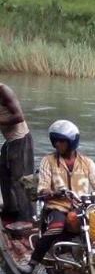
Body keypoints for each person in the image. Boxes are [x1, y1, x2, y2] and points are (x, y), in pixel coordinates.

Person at [17, 119, 95, 274]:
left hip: (81, 208)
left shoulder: (87, 163)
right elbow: (42, 187)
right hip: (57, 207)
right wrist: (54, 193)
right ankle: (32, 263)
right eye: (55, 141)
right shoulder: (48, 161)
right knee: (56, 227)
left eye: (61, 141)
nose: (57, 144)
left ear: (72, 141)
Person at [0, 82, 34, 226]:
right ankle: (10, 211)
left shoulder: (3, 90)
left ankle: (26, 218)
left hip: (21, 139)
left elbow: (19, 116)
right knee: (4, 175)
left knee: (22, 180)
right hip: (9, 141)